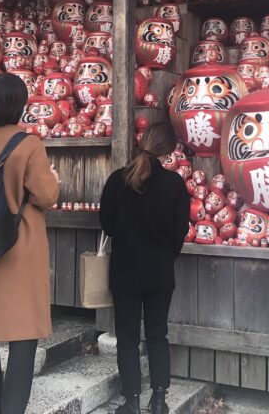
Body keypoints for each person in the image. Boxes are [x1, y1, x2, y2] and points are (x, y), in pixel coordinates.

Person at [0, 73, 60, 414]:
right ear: (18, 106)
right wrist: (55, 181)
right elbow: (47, 195)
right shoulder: (27, 144)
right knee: (23, 335)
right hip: (19, 248)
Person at [99, 123, 191, 414]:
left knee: (127, 338)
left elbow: (107, 224)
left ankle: (132, 401)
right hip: (160, 272)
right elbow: (180, 231)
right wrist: (166, 254)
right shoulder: (175, 184)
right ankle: (160, 400)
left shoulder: (117, 180)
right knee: (157, 334)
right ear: (170, 151)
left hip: (125, 270)